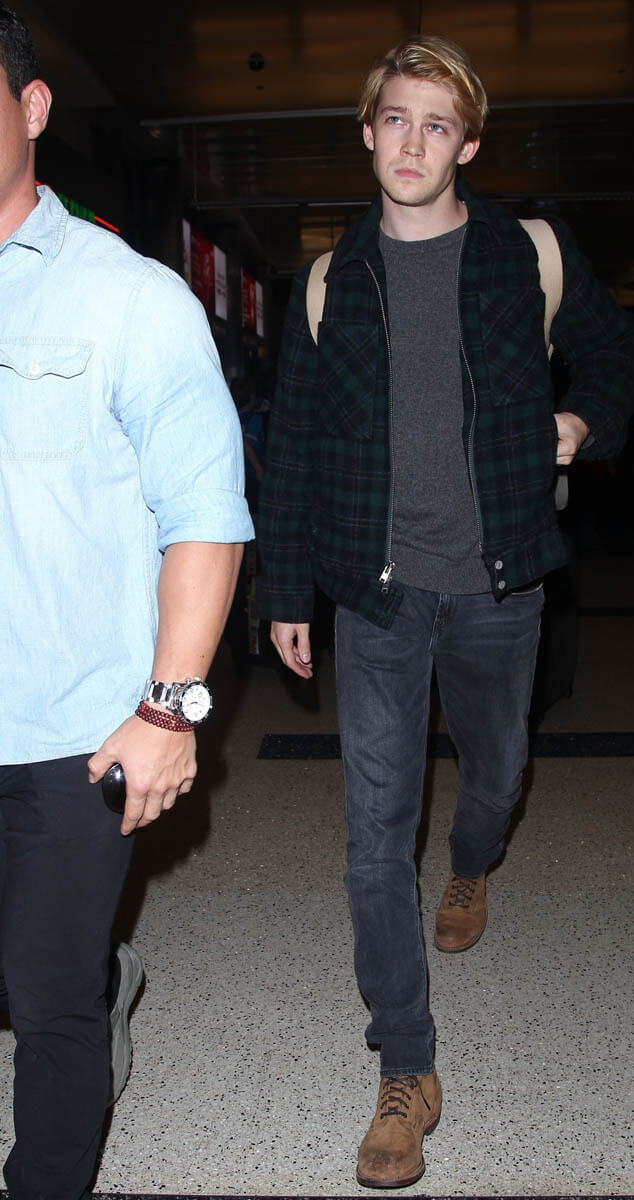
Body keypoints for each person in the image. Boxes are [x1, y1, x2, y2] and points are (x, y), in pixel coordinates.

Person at [258, 34, 634, 1189]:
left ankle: (473, 862)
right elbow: (293, 446)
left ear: (466, 144)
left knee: (495, 772)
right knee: (373, 838)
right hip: (375, 594)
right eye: (395, 120)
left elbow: (612, 355)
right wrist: (286, 592)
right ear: (366, 132)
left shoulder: (525, 255)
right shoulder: (327, 281)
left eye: (437, 125)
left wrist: (581, 422)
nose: (413, 143)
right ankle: (403, 1070)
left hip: (498, 583)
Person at [0, 7, 253, 1199]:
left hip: (75, 725)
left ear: (32, 108)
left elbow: (203, 515)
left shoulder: (132, 297)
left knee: (47, 1000)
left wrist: (167, 708)